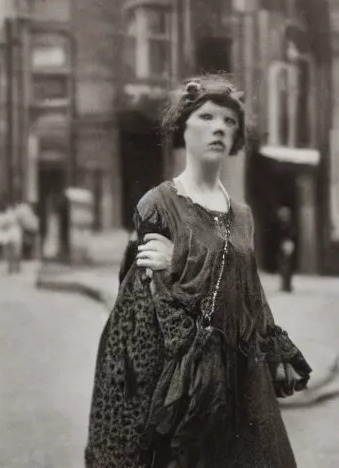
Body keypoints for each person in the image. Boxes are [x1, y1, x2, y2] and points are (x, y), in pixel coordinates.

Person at [86, 75, 312, 467]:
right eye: (206, 117)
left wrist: (274, 349)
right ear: (182, 127)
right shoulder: (158, 206)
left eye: (228, 121)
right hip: (190, 390)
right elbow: (142, 317)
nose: (219, 128)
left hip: (244, 383)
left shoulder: (242, 215)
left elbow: (250, 292)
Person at [275, 206, 298, 293]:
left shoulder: (286, 224)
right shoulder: (283, 224)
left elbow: (291, 234)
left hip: (287, 244)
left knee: (287, 265)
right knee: (284, 265)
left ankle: (287, 285)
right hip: (285, 244)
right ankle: (285, 285)